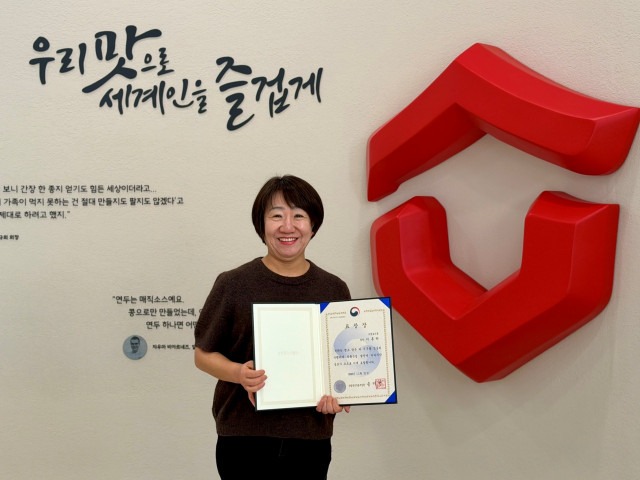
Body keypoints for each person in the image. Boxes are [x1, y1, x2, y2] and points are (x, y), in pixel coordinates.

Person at [194, 174, 352, 480]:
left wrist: (340, 394)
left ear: (313, 225)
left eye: (299, 216)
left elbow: (341, 364)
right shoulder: (233, 284)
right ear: (261, 224)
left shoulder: (333, 289)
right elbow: (202, 355)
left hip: (310, 437)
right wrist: (239, 374)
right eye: (277, 215)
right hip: (243, 436)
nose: (287, 226)